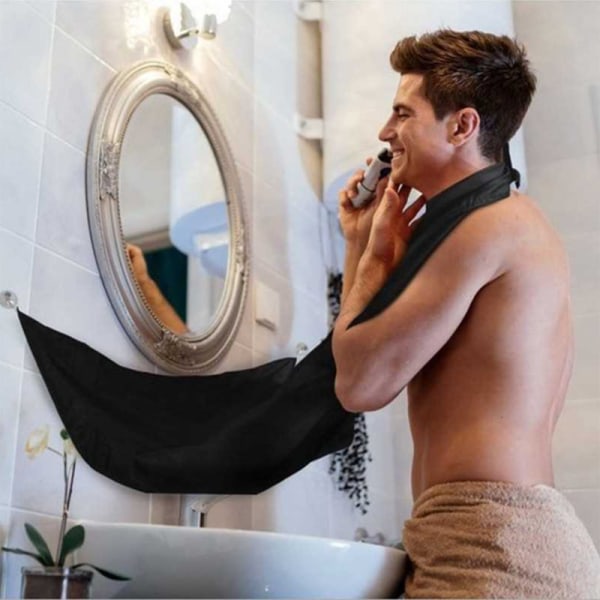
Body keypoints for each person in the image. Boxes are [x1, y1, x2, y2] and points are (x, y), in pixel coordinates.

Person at [333, 29, 600, 598]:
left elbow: (360, 383)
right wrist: (360, 243)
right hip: (502, 539)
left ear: (462, 127)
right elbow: (365, 355)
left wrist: (374, 255)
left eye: (402, 113)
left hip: (494, 546)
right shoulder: (499, 220)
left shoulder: (485, 228)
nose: (385, 133)